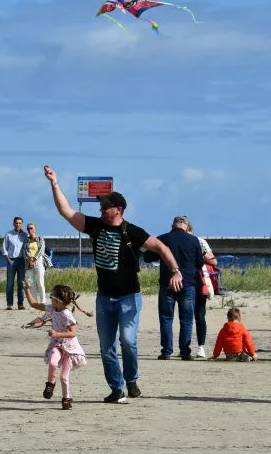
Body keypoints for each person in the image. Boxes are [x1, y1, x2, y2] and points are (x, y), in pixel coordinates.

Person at [44, 165, 182, 403]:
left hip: (129, 297)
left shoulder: (132, 232)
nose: (101, 208)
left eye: (106, 206)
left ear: (118, 210)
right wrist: (54, 183)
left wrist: (176, 271)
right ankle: (117, 388)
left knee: (128, 342)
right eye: (101, 205)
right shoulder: (95, 226)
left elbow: (161, 247)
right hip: (105, 298)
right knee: (106, 346)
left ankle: (131, 380)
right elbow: (66, 211)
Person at [144, 215, 203, 360]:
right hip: (188, 284)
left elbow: (147, 257)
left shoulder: (163, 239)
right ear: (186, 227)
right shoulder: (194, 240)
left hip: (167, 283)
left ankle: (166, 351)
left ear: (172, 226)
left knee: (166, 318)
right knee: (187, 319)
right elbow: (200, 263)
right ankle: (185, 351)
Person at [24, 282, 88, 410]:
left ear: (58, 300)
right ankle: (50, 384)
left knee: (64, 377)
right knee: (53, 363)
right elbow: (34, 304)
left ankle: (66, 399)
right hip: (57, 344)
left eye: (51, 296)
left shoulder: (66, 314)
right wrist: (27, 290)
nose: (50, 298)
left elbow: (73, 333)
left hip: (69, 348)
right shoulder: (52, 308)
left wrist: (56, 333)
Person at [188, 222, 218, 358]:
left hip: (199, 281)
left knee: (199, 315)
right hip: (187, 281)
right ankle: (186, 347)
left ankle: (201, 347)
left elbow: (214, 261)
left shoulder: (200, 241)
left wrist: (200, 255)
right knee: (187, 316)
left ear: (190, 230)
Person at [2, 216, 28, 310]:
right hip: (11, 260)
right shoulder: (8, 234)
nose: (18, 224)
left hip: (21, 261)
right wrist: (8, 259)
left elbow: (27, 248)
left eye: (20, 223)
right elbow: (4, 248)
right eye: (16, 223)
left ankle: (20, 304)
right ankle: (9, 304)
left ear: (22, 224)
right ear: (13, 224)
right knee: (10, 283)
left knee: (21, 283)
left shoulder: (25, 235)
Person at [22, 222, 49, 304]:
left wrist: (34, 259)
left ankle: (43, 302)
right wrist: (29, 260)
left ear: (35, 229)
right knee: (31, 284)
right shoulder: (26, 240)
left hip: (39, 263)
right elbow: (24, 251)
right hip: (29, 264)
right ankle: (34, 303)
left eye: (31, 228)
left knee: (40, 283)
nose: (30, 230)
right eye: (28, 228)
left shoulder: (40, 239)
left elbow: (41, 250)